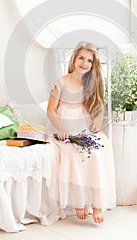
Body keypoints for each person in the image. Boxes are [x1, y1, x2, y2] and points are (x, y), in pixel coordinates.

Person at [47, 41, 116, 224]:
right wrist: (61, 128)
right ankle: (79, 202)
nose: (85, 63)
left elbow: (99, 105)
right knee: (72, 153)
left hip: (85, 125)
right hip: (66, 126)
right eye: (81, 58)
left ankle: (97, 203)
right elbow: (51, 110)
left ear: (93, 65)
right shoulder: (61, 82)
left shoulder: (91, 82)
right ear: (74, 59)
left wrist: (98, 119)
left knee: (98, 150)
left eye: (89, 61)